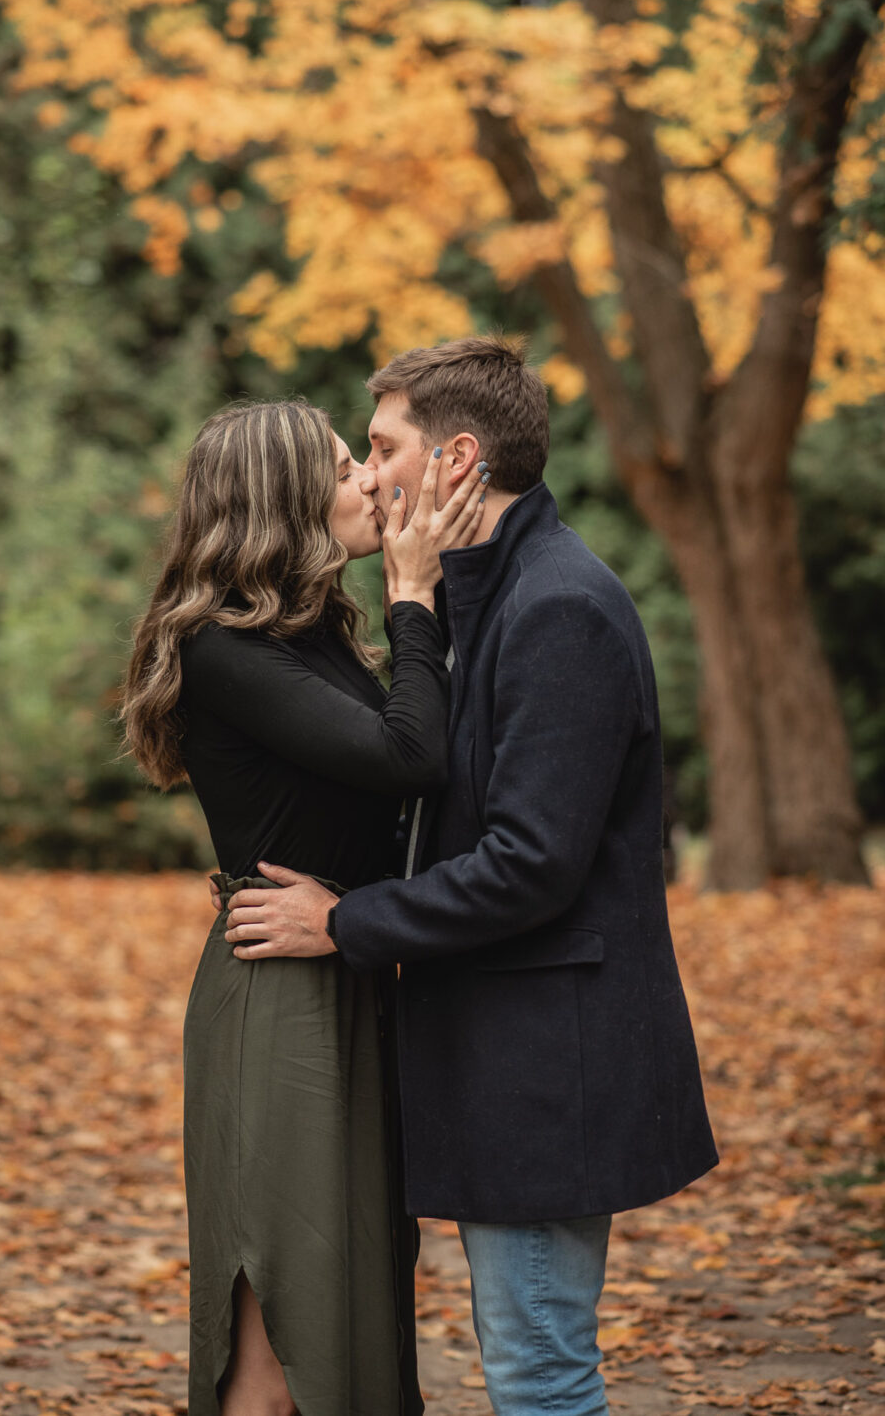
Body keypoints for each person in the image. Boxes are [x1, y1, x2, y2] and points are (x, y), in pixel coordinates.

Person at [222, 338, 720, 1416]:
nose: (364, 470)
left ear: (454, 460)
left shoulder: (558, 609)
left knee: (541, 1378)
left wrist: (346, 921)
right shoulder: (479, 598)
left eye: (381, 446)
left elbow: (528, 864)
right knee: (530, 1365)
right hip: (500, 1052)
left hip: (548, 1063)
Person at [121, 399, 487, 1416]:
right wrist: (413, 593)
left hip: (346, 976)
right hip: (278, 1000)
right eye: (342, 469)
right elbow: (408, 758)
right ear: (284, 503)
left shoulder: (314, 637)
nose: (370, 480)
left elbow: (421, 751)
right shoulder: (223, 651)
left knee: (351, 1305)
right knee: (278, 1340)